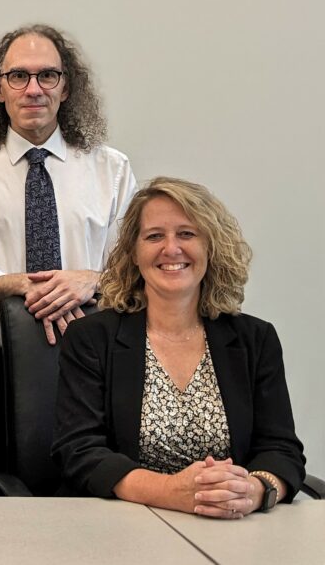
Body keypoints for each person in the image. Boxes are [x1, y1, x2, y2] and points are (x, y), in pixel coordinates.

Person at [0, 24, 137, 488]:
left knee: (94, 509)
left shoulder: (112, 169)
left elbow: (136, 270)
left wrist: (90, 279)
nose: (34, 89)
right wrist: (21, 284)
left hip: (94, 368)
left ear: (66, 87)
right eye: (18, 77)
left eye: (48, 76)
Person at [52, 177, 305, 518]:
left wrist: (254, 490)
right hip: (119, 526)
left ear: (210, 247)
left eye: (187, 234)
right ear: (134, 253)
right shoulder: (91, 338)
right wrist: (171, 492)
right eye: (154, 236)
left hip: (229, 525)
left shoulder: (254, 339)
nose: (171, 249)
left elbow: (281, 448)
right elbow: (80, 450)